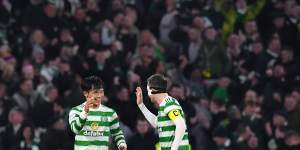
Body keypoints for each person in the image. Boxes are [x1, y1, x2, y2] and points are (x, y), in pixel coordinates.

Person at [68, 76, 127, 150]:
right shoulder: (76, 111)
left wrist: (122, 145)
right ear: (86, 93)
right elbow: (75, 129)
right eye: (95, 92)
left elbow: (117, 133)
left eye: (101, 91)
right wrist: (85, 112)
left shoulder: (110, 113)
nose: (99, 95)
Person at [135, 74, 189, 150]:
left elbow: (181, 125)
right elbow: (157, 123)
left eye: (148, 90)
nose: (148, 94)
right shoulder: (164, 106)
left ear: (153, 90)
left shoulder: (169, 103)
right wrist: (141, 105)